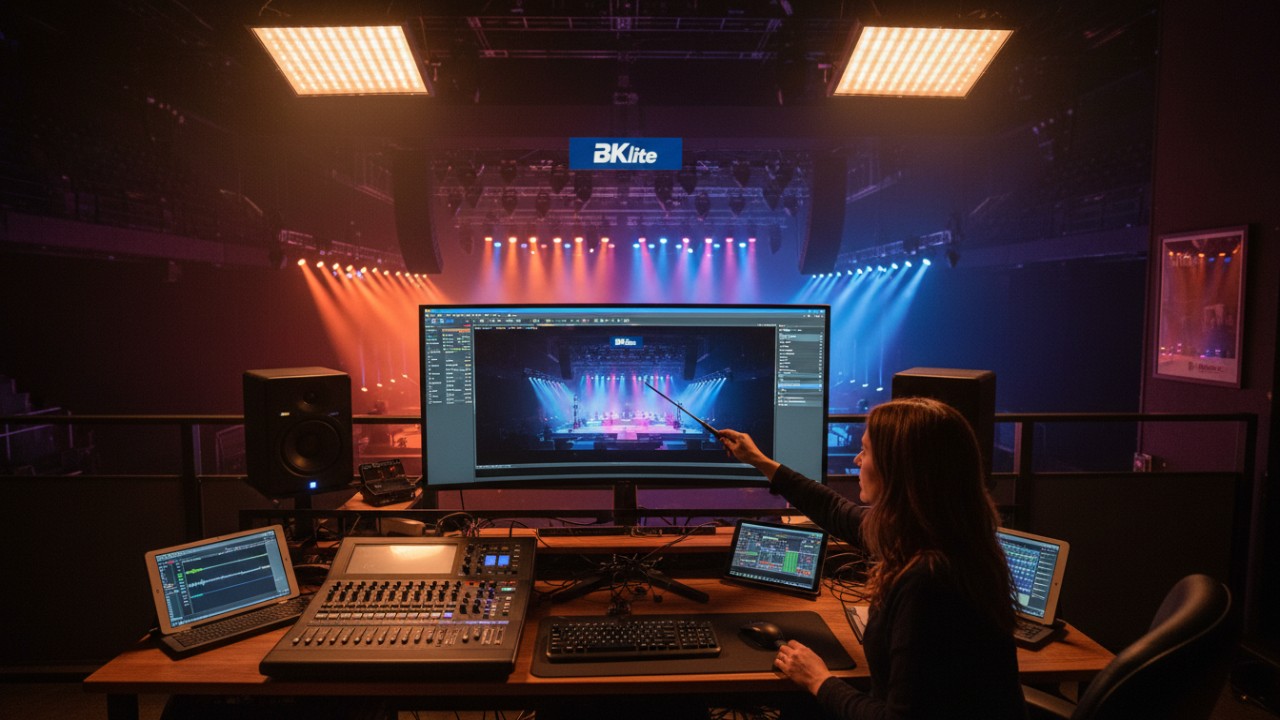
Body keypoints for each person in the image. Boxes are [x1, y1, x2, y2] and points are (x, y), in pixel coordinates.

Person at [717, 397, 1025, 720]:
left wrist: (820, 680)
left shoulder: (929, 579)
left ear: (898, 470)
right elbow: (834, 510)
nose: (857, 458)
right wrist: (759, 460)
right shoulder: (941, 537)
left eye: (866, 450)